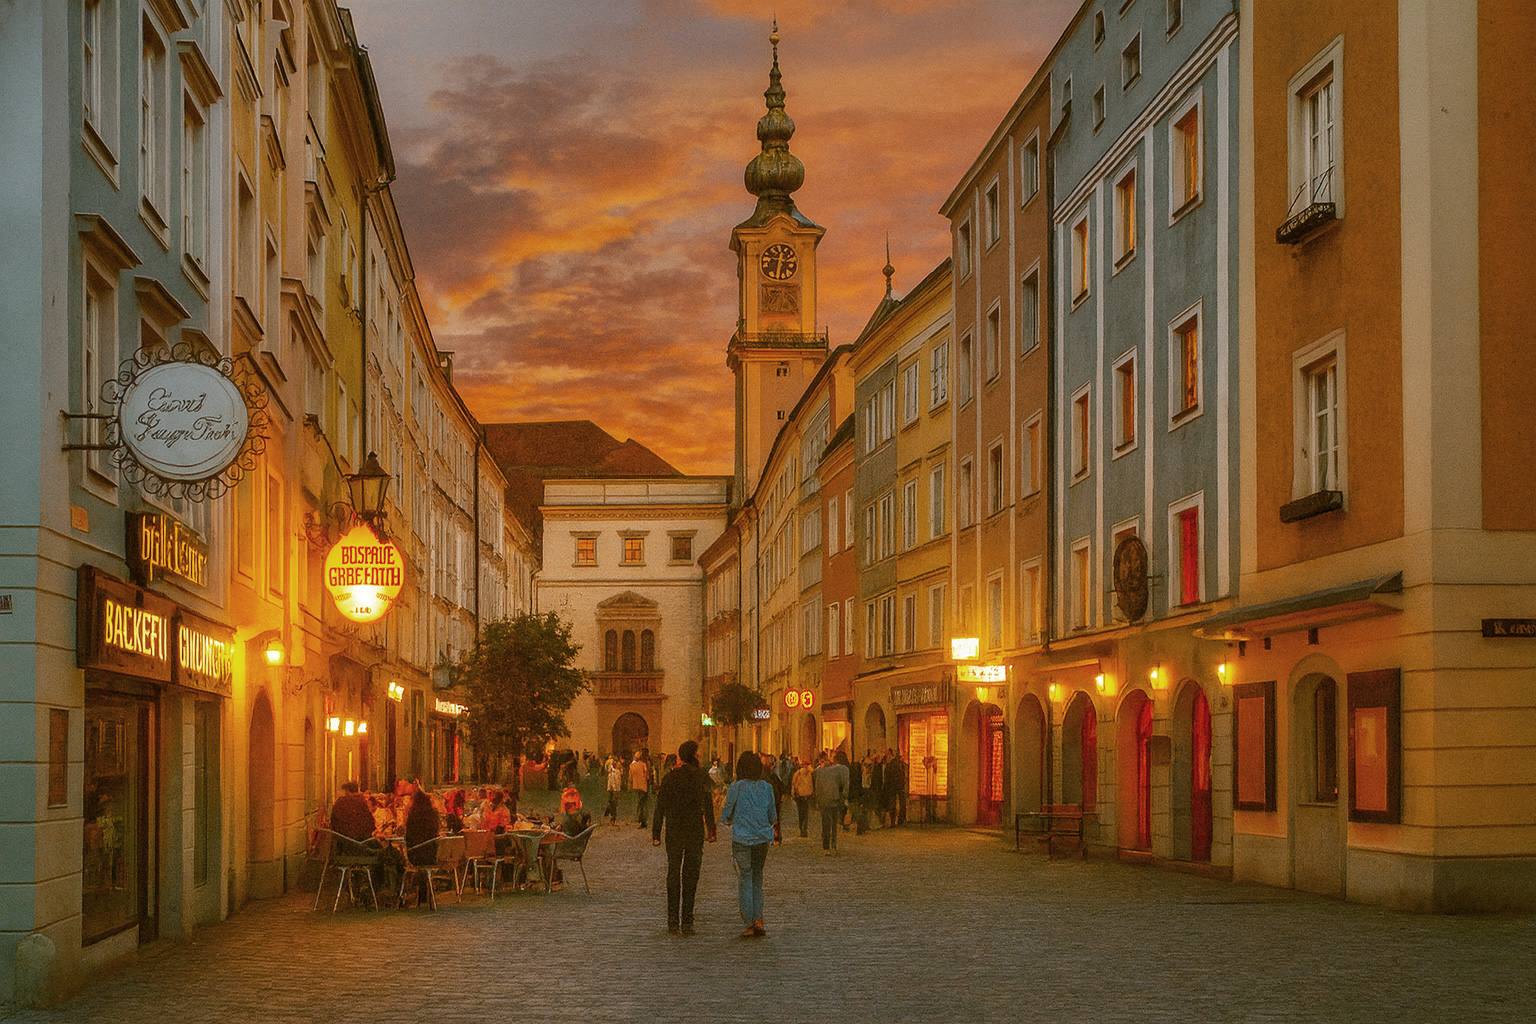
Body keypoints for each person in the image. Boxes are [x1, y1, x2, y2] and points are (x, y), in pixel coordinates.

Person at [651, 740, 717, 936]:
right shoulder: (701, 777)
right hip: (694, 830)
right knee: (690, 875)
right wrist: (711, 828)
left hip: (674, 830)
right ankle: (687, 919)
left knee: (673, 873)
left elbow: (660, 807)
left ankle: (672, 920)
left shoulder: (670, 778)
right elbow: (708, 805)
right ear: (694, 755)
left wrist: (656, 833)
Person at [719, 751, 778, 938]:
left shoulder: (736, 787)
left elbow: (727, 810)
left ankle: (750, 922)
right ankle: (759, 918)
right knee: (757, 877)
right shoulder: (767, 787)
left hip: (742, 839)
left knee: (745, 878)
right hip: (762, 839)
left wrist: (723, 821)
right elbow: (772, 816)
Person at [403, 785, 441, 906]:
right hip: (432, 853)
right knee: (425, 864)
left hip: (415, 854)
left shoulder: (412, 815)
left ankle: (410, 890)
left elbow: (408, 836)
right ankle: (424, 890)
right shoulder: (433, 814)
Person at [813, 752, 849, 855]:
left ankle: (827, 847)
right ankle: (832, 845)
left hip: (826, 801)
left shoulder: (820, 772)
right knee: (832, 824)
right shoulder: (837, 771)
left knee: (827, 825)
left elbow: (817, 787)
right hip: (833, 800)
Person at [791, 757, 815, 838]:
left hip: (799, 795)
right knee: (805, 813)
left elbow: (793, 784)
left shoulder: (798, 773)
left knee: (800, 813)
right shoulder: (809, 774)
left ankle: (802, 828)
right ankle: (804, 828)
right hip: (807, 795)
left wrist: (793, 793)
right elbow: (811, 784)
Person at [630, 750, 652, 828]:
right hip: (643, 786)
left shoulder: (632, 765)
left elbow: (630, 776)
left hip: (636, 786)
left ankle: (640, 819)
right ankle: (643, 820)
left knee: (639, 803)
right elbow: (647, 775)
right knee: (643, 804)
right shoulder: (643, 764)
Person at [605, 756, 623, 824]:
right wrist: (614, 789)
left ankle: (610, 814)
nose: (619, 765)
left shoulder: (618, 772)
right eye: (618, 765)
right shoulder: (612, 772)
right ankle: (613, 816)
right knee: (613, 803)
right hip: (613, 790)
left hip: (617, 790)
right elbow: (612, 782)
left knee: (614, 803)